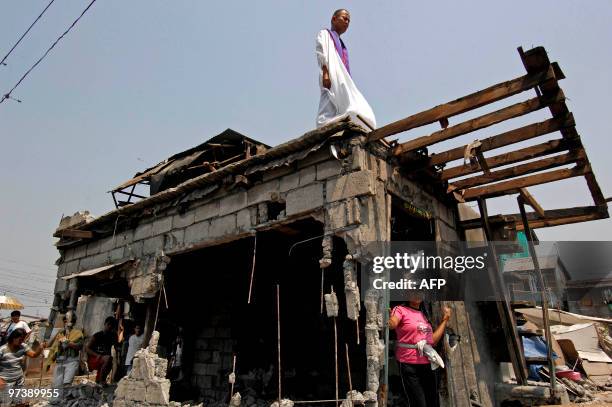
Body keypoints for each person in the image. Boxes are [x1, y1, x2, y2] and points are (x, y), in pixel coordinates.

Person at [315, 9, 376, 130]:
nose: (347, 22)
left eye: (349, 20)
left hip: (342, 77)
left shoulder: (342, 45)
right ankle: (323, 125)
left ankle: (345, 120)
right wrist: (326, 73)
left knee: (354, 104)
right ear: (334, 19)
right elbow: (321, 51)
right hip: (331, 75)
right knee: (329, 99)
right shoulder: (325, 33)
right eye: (344, 18)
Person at [388, 295, 451, 407]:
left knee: (433, 402)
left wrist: (445, 320)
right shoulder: (400, 310)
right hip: (408, 364)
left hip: (428, 364)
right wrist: (388, 319)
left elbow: (432, 341)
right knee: (418, 403)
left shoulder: (424, 315)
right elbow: (392, 324)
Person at [0, 328, 43, 404]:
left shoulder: (23, 347)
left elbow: (33, 355)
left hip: (19, 380)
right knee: (6, 403)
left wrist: (39, 349)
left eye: (23, 339)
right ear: (13, 338)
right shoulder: (2, 350)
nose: (22, 341)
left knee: (20, 402)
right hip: (6, 381)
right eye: (20, 339)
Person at [44, 314, 84, 390]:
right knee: (57, 385)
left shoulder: (78, 333)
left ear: (74, 322)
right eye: (66, 321)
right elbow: (52, 346)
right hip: (60, 361)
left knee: (67, 384)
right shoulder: (60, 333)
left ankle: (65, 400)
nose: (67, 323)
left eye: (70, 321)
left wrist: (68, 342)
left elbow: (79, 346)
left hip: (71, 361)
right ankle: (57, 401)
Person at [84, 316, 118, 385]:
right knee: (108, 358)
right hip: (94, 359)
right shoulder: (97, 335)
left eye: (111, 326)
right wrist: (97, 355)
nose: (109, 327)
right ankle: (101, 380)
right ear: (105, 324)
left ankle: (100, 380)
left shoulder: (113, 336)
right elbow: (87, 348)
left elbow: (116, 348)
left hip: (104, 360)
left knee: (110, 360)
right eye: (108, 324)